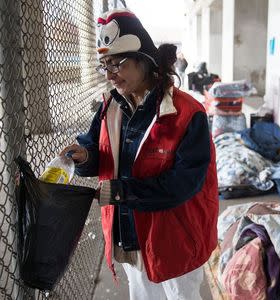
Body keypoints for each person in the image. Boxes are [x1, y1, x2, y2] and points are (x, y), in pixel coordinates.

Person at [61, 8, 219, 300]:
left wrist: (120, 192)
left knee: (181, 294)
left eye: (117, 64)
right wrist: (85, 156)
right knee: (143, 294)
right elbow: (99, 151)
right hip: (129, 233)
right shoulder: (110, 106)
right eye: (104, 66)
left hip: (175, 239)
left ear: (144, 60)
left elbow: (184, 183)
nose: (109, 75)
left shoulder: (187, 114)